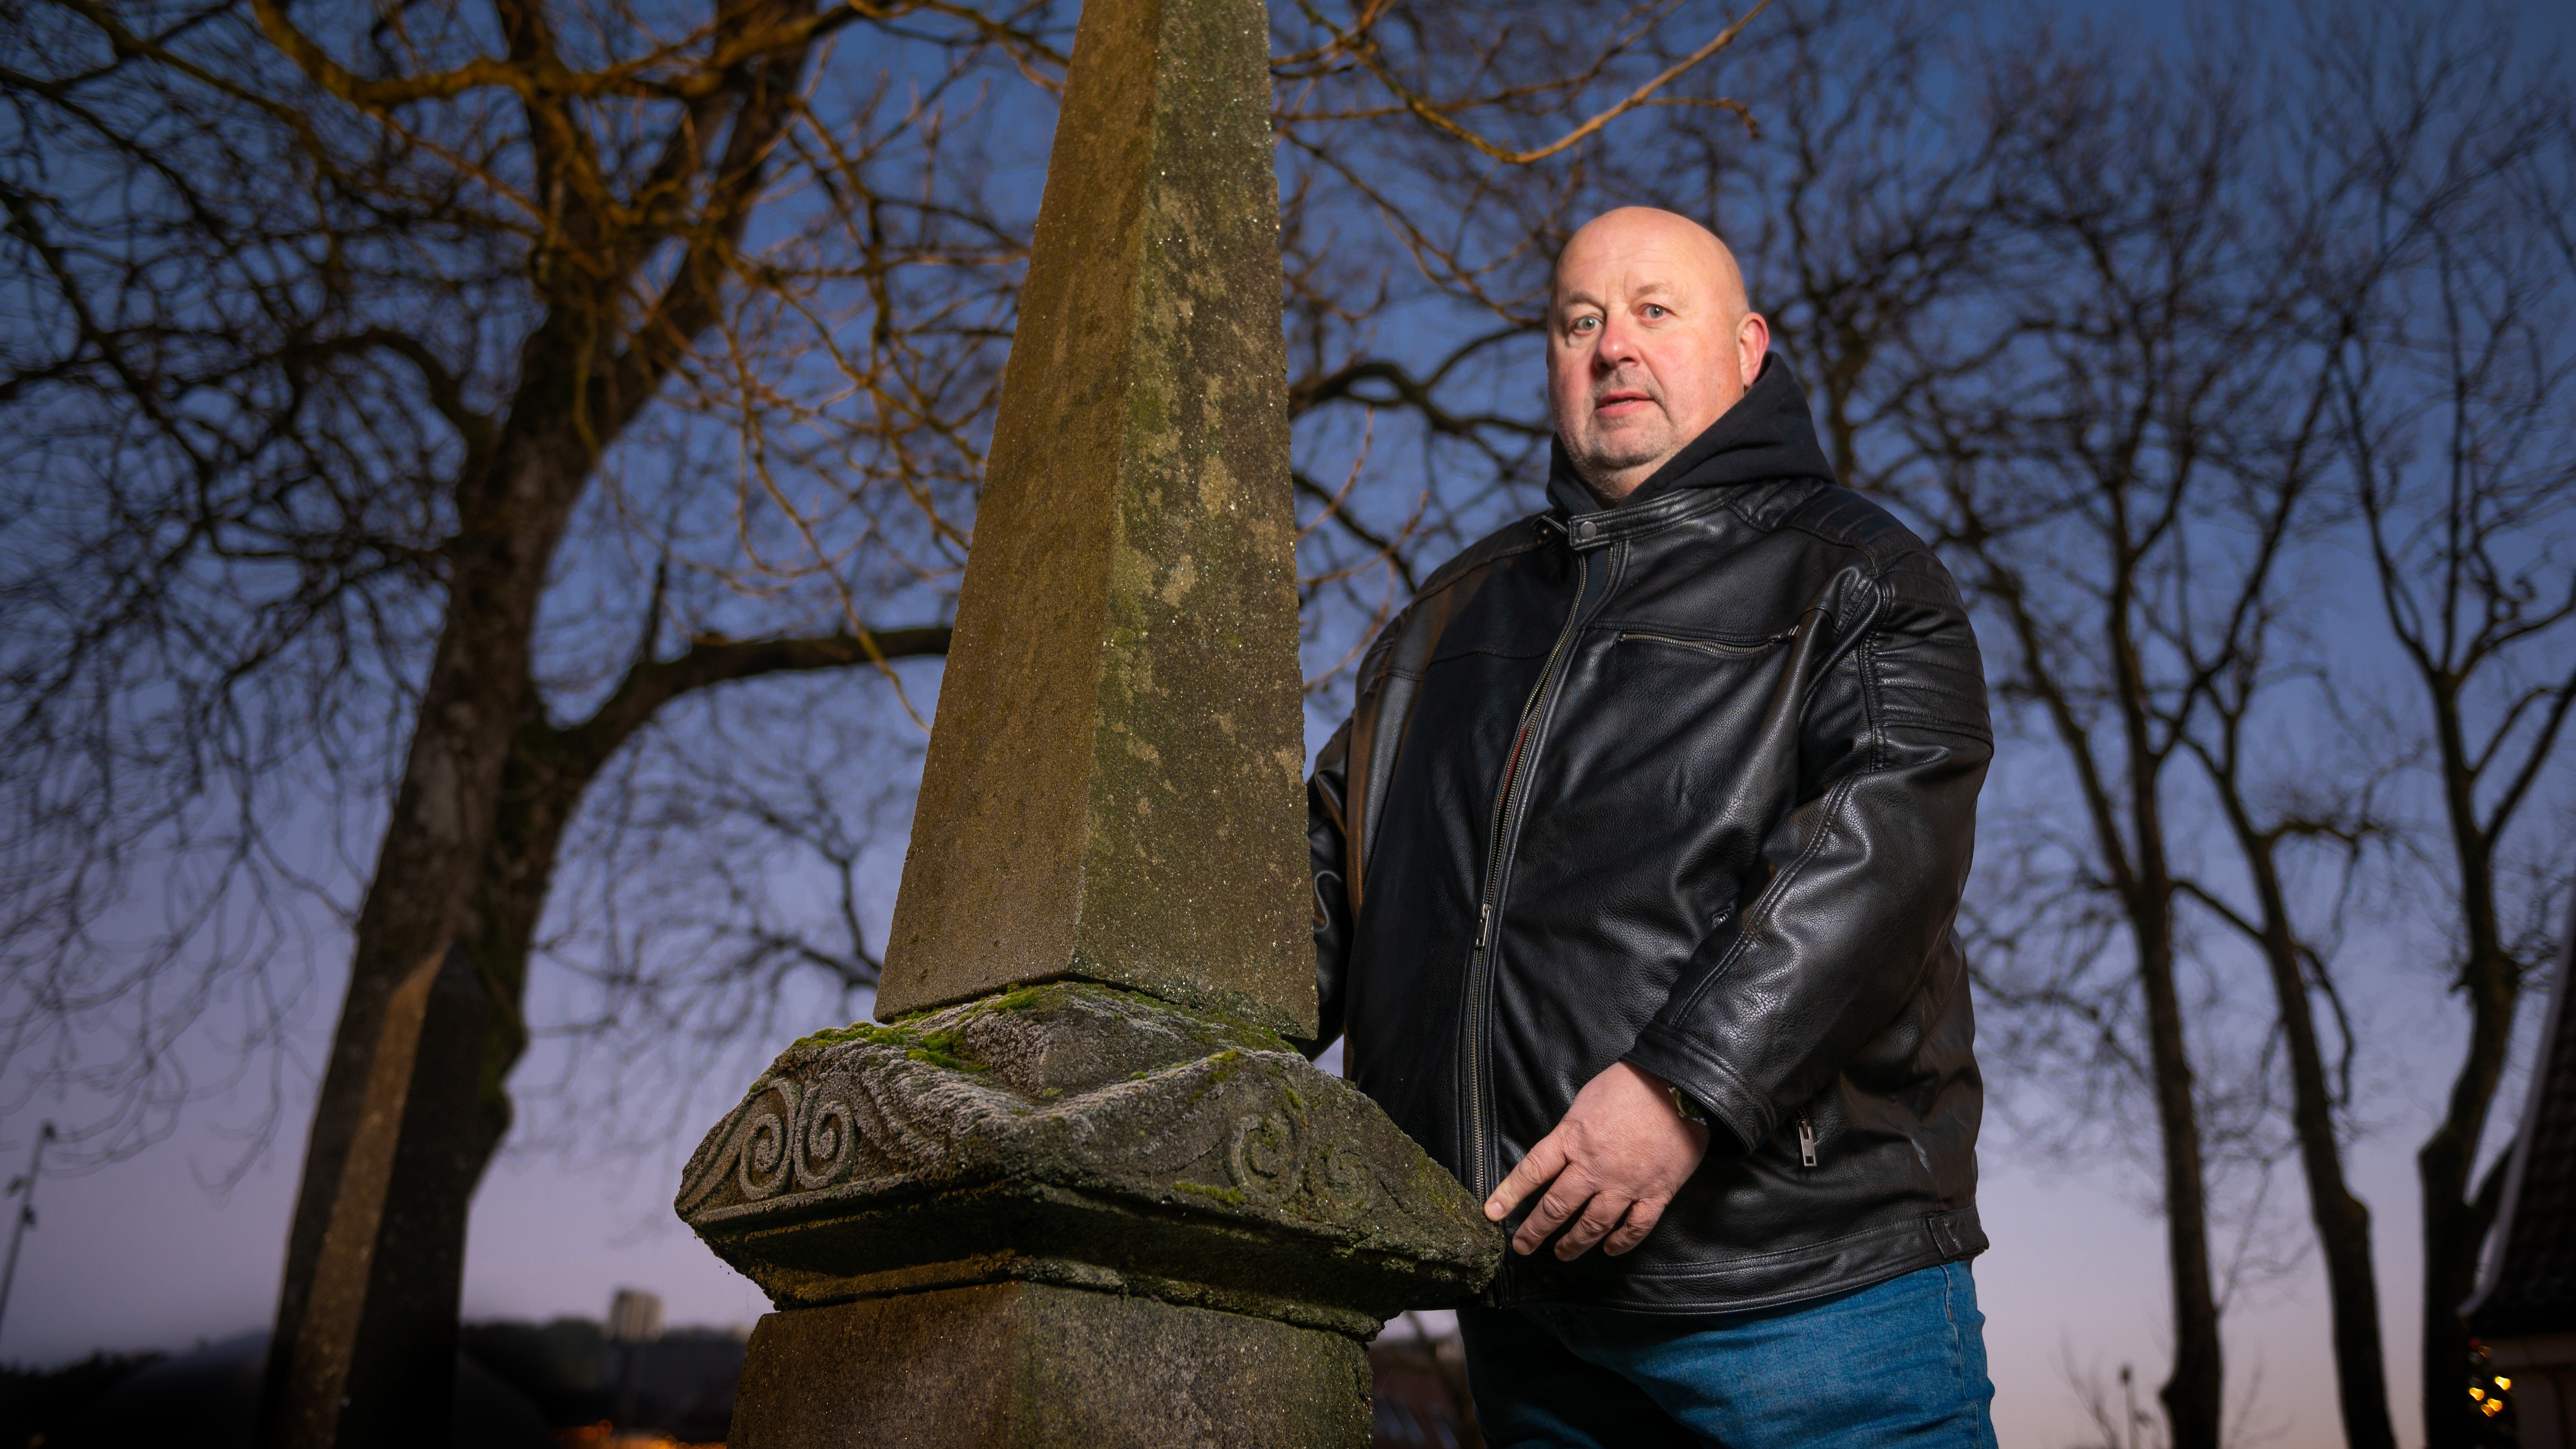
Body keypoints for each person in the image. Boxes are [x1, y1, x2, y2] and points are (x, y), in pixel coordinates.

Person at [1303, 207, 1999, 1447]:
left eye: (1653, 311)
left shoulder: (1858, 576)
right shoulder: (1441, 622)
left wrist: (1685, 1089)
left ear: (1748, 347)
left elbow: (1880, 857)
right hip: (1522, 1304)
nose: (1612, 345)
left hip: (1807, 1293)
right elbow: (1322, 882)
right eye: (1580, 321)